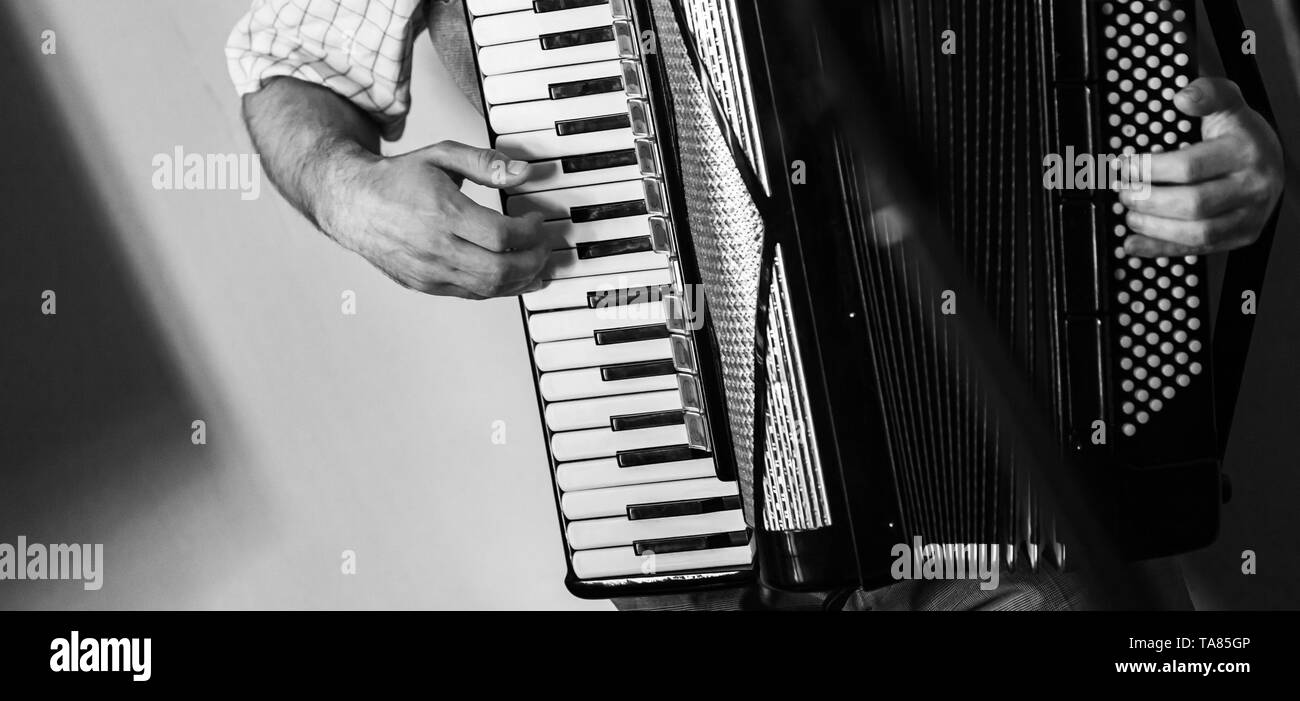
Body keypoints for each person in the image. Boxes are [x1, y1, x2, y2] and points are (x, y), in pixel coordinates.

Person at [226, 0, 1286, 610]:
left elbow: (1167, 74)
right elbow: (286, 61)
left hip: (1025, 503)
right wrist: (349, 190)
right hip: (714, 529)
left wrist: (1234, 159)